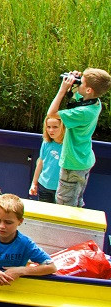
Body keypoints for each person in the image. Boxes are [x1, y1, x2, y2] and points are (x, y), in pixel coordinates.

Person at [46, 68, 111, 207]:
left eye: (81, 83)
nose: (78, 84)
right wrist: (74, 83)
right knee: (76, 201)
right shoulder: (94, 102)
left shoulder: (84, 112)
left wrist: (62, 90)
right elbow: (77, 98)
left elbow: (51, 113)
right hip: (83, 159)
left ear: (88, 90)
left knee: (65, 205)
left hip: (73, 163)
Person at [29, 116, 64, 204]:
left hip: (62, 189)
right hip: (44, 186)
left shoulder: (67, 145)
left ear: (62, 127)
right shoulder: (46, 143)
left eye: (55, 127)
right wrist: (34, 183)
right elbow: (40, 163)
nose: (51, 130)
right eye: (48, 127)